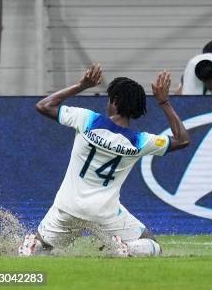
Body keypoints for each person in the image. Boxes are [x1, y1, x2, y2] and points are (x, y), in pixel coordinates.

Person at [18, 64, 190, 257]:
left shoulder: (86, 119)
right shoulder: (140, 142)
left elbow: (43, 106)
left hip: (68, 206)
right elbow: (183, 139)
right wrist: (164, 101)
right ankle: (127, 248)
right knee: (151, 244)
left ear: (114, 101)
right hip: (105, 213)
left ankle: (33, 246)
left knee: (44, 247)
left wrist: (81, 85)